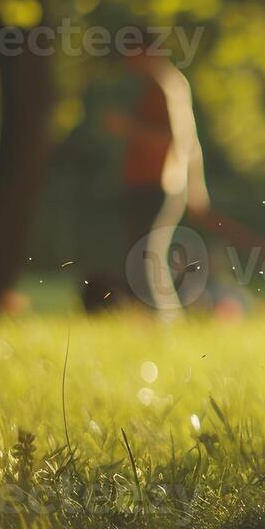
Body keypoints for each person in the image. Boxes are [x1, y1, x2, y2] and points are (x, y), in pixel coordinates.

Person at [105, 38, 209, 319]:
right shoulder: (170, 84)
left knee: (144, 255)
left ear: (147, 51)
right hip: (159, 183)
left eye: (132, 53)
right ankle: (161, 316)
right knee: (148, 253)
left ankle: (159, 317)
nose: (128, 61)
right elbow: (190, 142)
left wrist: (128, 127)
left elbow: (171, 138)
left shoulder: (163, 86)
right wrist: (196, 185)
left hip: (155, 183)